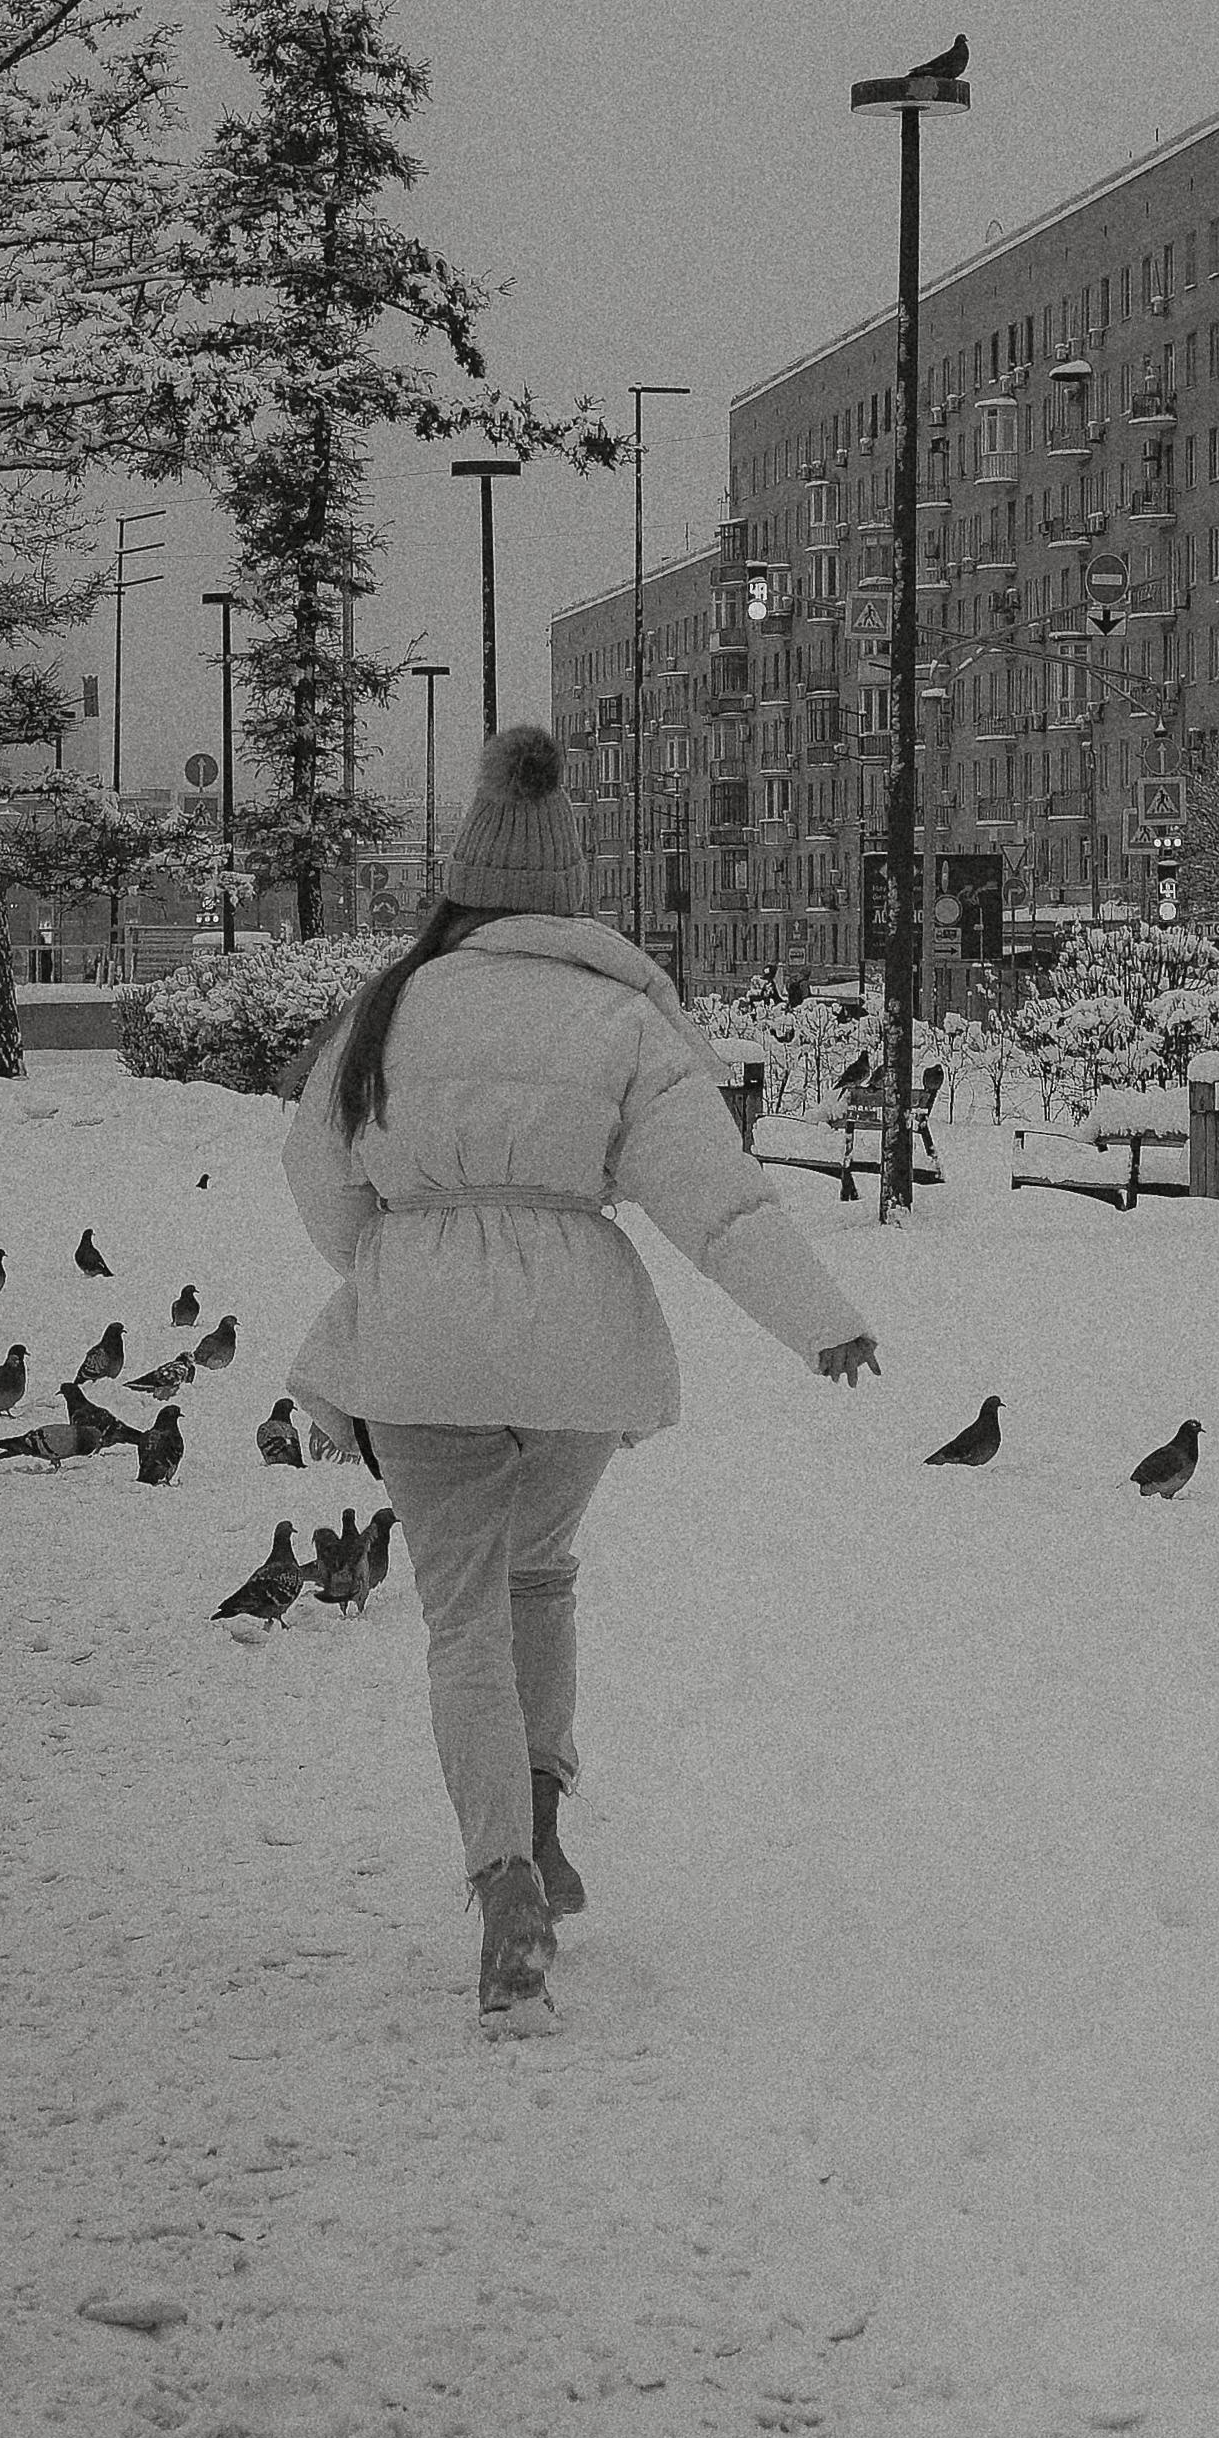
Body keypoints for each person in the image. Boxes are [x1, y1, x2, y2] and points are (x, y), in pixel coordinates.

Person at [282, 725, 879, 2033]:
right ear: (566, 884)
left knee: (460, 1620)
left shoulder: (389, 1004)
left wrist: (391, 1265)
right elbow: (715, 1200)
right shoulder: (620, 1018)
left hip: (420, 1350)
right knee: (540, 1576)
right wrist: (819, 1318)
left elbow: (317, 1170)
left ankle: (501, 1887)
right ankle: (544, 1831)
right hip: (575, 1352)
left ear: (462, 878)